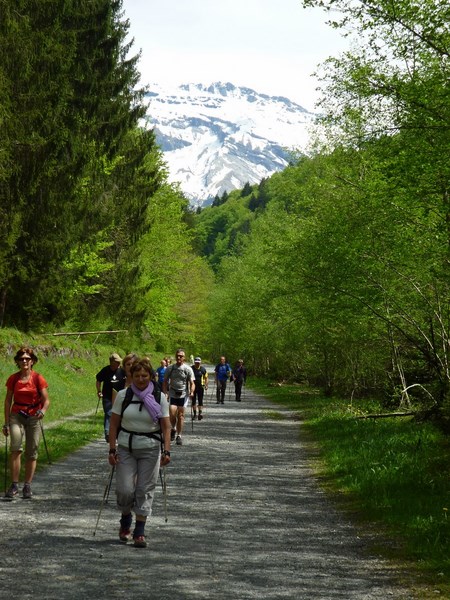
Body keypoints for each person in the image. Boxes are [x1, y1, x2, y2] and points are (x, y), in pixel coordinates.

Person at [108, 357, 171, 548]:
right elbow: (113, 424)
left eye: (145, 376)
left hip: (151, 449)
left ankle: (140, 531)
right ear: (131, 376)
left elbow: (166, 427)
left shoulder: (159, 397)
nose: (141, 379)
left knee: (145, 489)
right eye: (137, 375)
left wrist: (167, 450)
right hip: (126, 448)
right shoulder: (123, 395)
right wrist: (112, 448)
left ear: (151, 376)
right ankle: (126, 519)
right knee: (125, 490)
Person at [2, 346, 50, 499]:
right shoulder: (13, 378)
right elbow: (8, 400)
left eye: (27, 359)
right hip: (16, 414)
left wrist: (42, 411)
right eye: (21, 358)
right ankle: (15, 484)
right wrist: (6, 423)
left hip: (34, 415)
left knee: (32, 451)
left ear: (32, 361)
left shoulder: (38, 378)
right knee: (16, 448)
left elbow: (46, 400)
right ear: (17, 361)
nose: (24, 361)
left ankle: (27, 485)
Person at [163, 349, 195, 446]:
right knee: (172, 413)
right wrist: (165, 392)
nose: (179, 357)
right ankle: (173, 428)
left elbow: (192, 383)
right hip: (173, 393)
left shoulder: (188, 369)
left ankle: (179, 436)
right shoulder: (170, 368)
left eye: (181, 356)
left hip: (183, 394)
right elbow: (165, 381)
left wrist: (192, 391)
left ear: (184, 358)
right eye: (177, 355)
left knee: (180, 415)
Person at [96, 353, 126, 443]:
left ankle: (118, 432)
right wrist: (99, 391)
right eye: (117, 362)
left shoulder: (122, 371)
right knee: (109, 413)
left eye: (119, 362)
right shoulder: (105, 370)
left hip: (120, 397)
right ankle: (108, 433)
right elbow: (98, 380)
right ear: (112, 362)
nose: (118, 363)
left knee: (120, 414)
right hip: (107, 396)